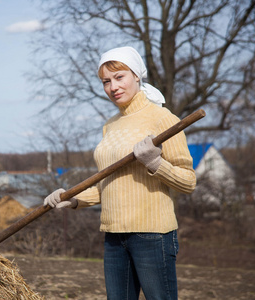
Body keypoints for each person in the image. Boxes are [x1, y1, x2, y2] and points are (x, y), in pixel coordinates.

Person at [44, 46, 196, 300]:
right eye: (106, 81)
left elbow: (188, 182)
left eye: (119, 77)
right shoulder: (110, 126)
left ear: (136, 75)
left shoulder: (162, 119)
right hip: (114, 236)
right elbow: (108, 185)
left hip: (152, 234)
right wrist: (73, 198)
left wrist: (155, 163)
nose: (113, 86)